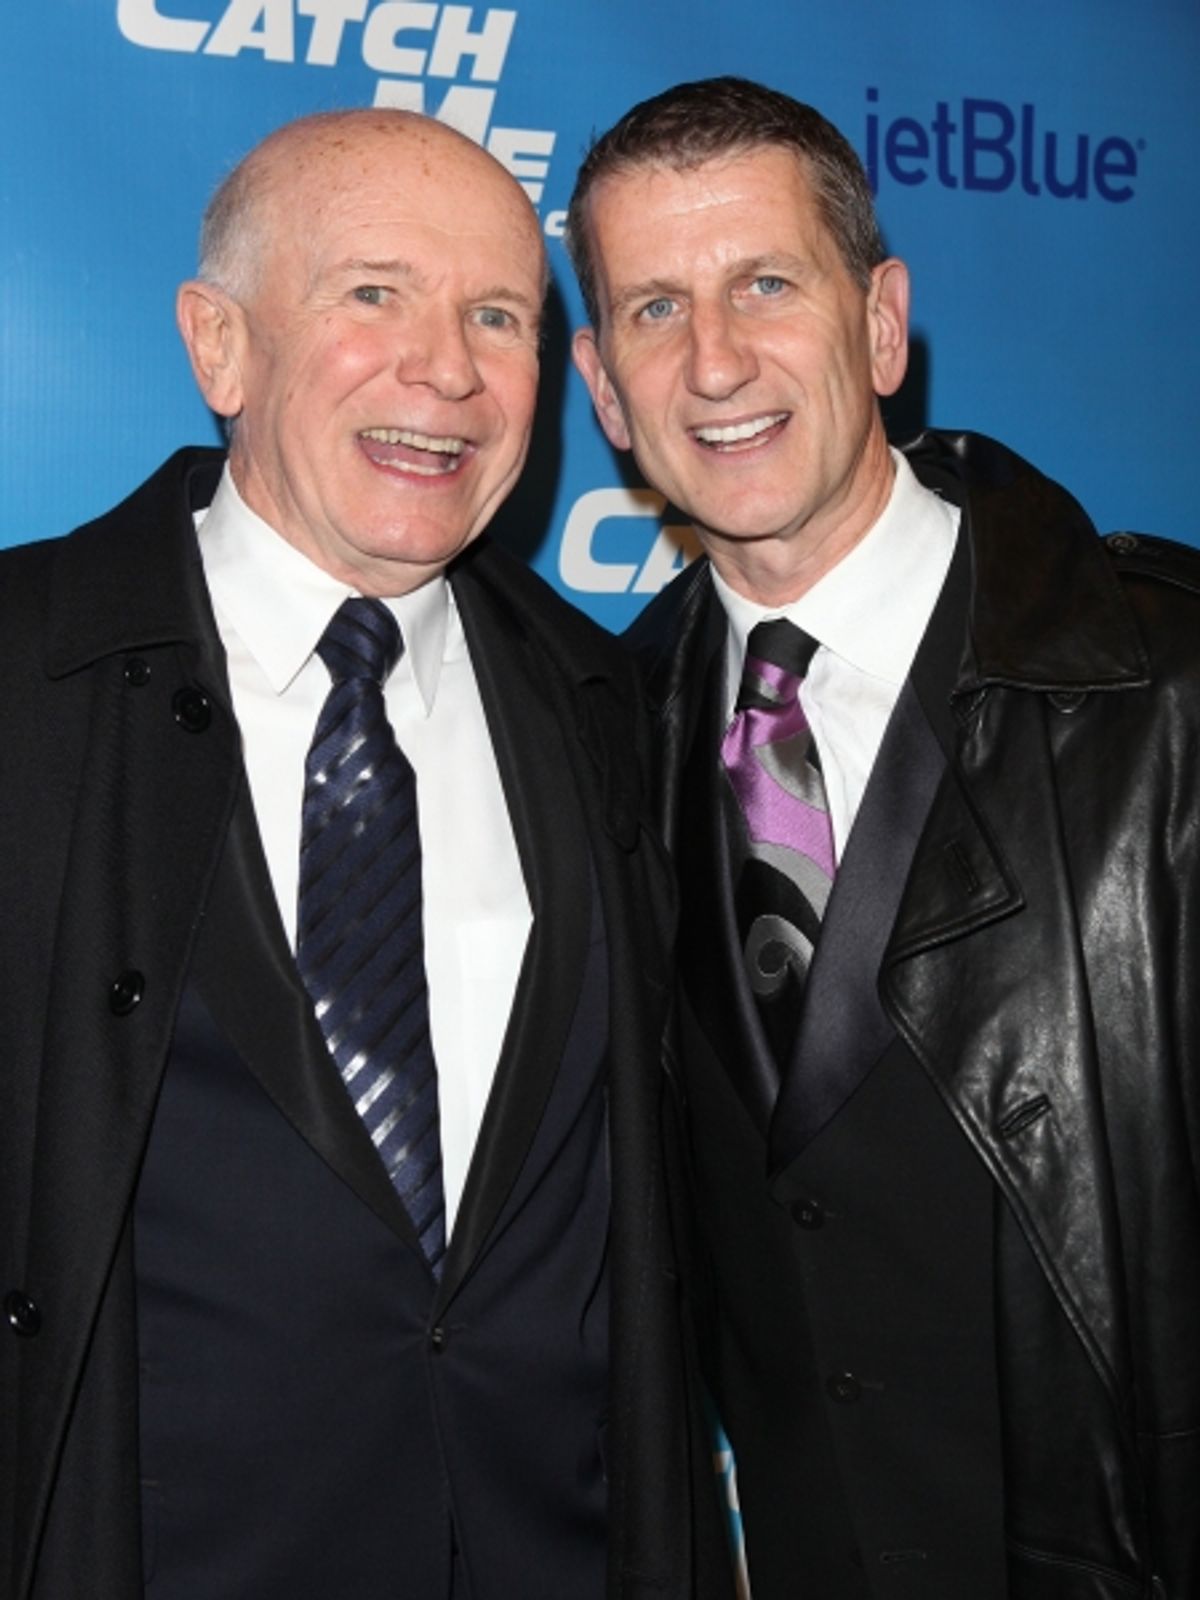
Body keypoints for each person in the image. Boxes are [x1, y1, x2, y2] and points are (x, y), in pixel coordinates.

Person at [0, 108, 732, 1600]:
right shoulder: (23, 682)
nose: (447, 370)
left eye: (497, 316)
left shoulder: (613, 708)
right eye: (374, 294)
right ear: (222, 348)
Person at [566, 75, 1200, 1600]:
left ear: (880, 321)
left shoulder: (1172, 687)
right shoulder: (591, 741)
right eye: (655, 310)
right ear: (600, 387)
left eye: (766, 284)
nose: (715, 359)